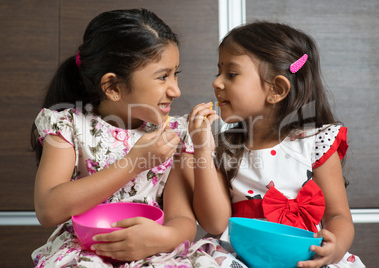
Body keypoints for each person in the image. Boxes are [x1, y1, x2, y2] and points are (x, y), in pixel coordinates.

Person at [30, 8, 221, 268]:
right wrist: (134, 163)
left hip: (154, 250)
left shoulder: (174, 133)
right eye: (163, 76)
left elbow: (183, 220)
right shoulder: (68, 126)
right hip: (86, 250)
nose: (176, 89)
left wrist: (164, 236)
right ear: (113, 87)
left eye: (176, 73)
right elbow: (48, 209)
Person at [188, 21, 365, 267]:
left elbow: (337, 215)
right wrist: (202, 149)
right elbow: (215, 224)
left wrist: (335, 248)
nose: (216, 83)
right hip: (240, 255)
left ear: (276, 89)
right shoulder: (222, 148)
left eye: (231, 74)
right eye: (218, 72)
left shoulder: (315, 143)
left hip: (304, 255)